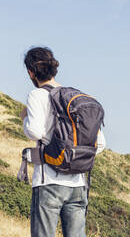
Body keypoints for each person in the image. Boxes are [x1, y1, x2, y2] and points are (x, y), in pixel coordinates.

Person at [20, 46, 106, 237]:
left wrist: (24, 118)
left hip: (48, 181)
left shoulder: (38, 95)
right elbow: (100, 144)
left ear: (31, 72)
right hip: (78, 184)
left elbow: (34, 131)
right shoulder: (75, 98)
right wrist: (73, 157)